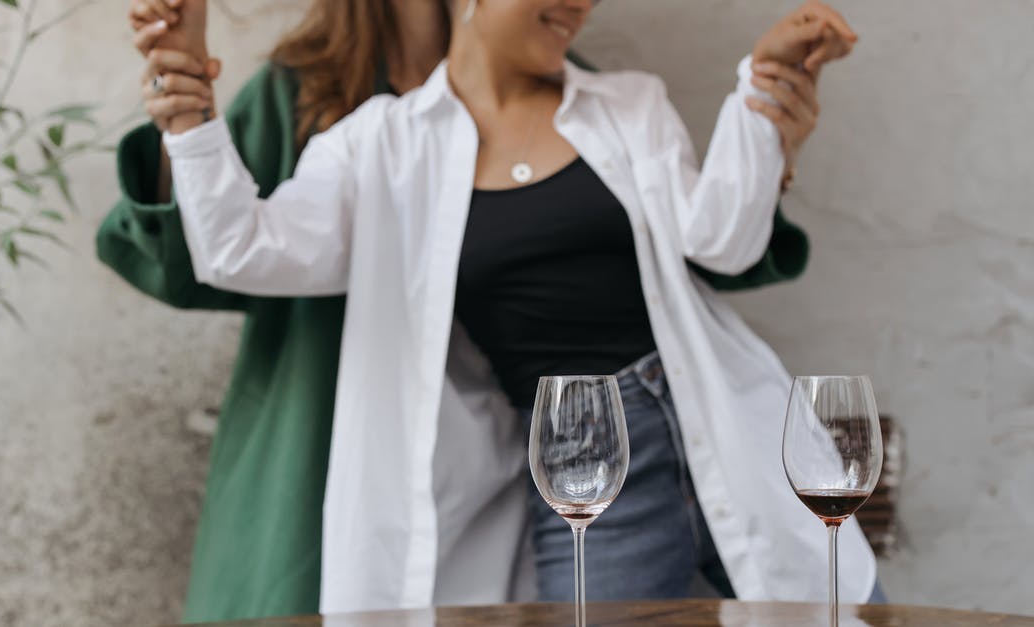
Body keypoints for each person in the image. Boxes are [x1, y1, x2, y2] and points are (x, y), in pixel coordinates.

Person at [116, 0, 874, 616]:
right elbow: (239, 251)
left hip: (730, 421)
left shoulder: (627, 104)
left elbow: (724, 240)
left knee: (840, 609)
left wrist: (762, 94)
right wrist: (189, 117)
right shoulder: (381, 145)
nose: (582, 5)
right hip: (586, 460)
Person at [96, 0, 450, 621]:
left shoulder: (551, 87)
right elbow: (200, 260)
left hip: (477, 450)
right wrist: (183, 114)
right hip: (308, 430)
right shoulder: (302, 88)